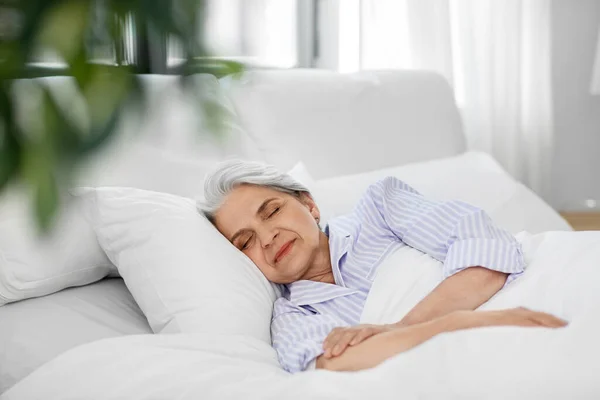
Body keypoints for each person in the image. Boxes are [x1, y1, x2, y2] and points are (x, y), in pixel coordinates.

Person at [197, 160, 567, 373]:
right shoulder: (293, 318)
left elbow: (487, 252)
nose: (267, 238)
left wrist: (404, 327)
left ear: (309, 205)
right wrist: (451, 324)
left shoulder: (380, 210)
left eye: (272, 211)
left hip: (550, 288)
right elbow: (333, 366)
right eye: (244, 242)